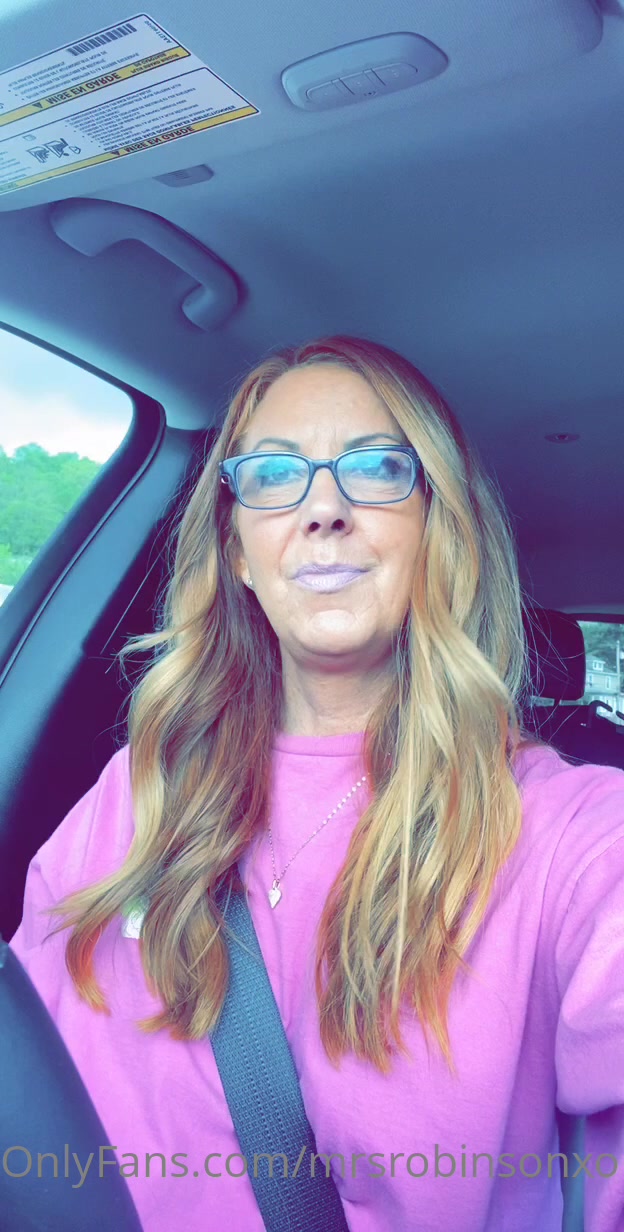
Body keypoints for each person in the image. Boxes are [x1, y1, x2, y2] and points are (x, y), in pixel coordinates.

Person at [8, 336, 624, 1231]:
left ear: (438, 529)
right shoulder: (136, 790)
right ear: (240, 552)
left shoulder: (568, 833)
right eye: (272, 474)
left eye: (376, 467)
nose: (324, 507)